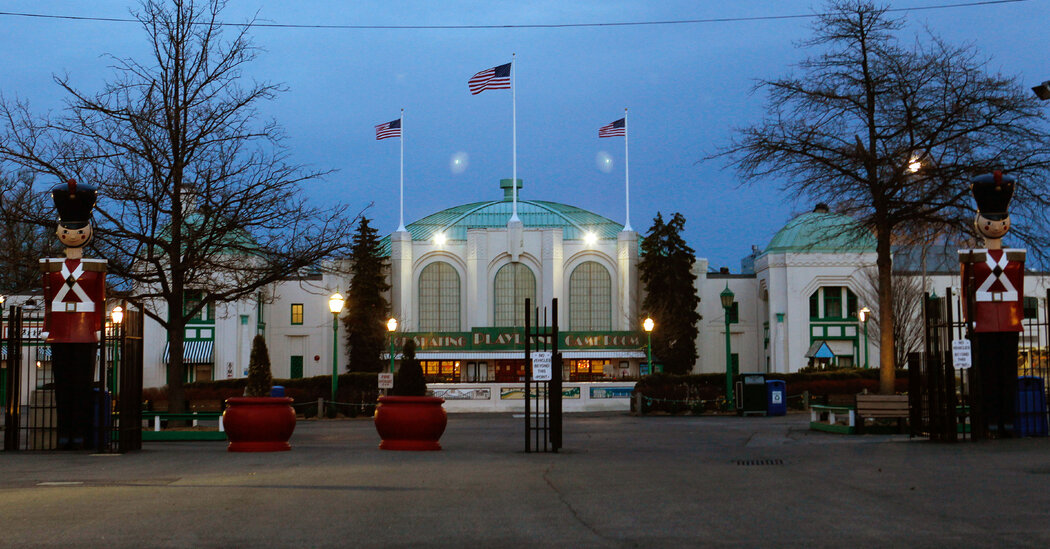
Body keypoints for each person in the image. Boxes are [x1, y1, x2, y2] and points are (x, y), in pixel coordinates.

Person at [41, 179, 106, 450]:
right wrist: (46, 327)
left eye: (78, 228)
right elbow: (47, 301)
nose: (72, 233)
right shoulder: (50, 267)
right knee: (63, 386)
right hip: (60, 331)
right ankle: (64, 433)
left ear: (88, 229)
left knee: (81, 387)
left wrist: (99, 327)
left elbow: (99, 300)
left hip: (84, 331)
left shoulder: (95, 266)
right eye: (67, 228)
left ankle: (79, 433)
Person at [959, 171, 1023, 438]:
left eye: (1000, 220)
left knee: (1007, 373)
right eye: (991, 220)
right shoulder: (971, 258)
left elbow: (1017, 288)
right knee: (987, 373)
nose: (996, 226)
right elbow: (965, 289)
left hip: (1007, 319)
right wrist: (969, 318)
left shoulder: (1015, 257)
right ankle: (990, 419)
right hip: (983, 320)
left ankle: (1006, 419)